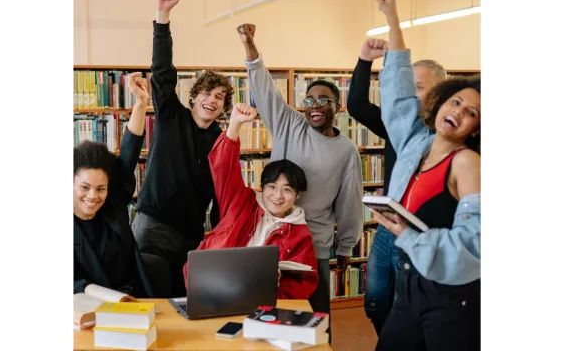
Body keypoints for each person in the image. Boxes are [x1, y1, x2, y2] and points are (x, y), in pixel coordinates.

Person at [369, 0, 481, 351]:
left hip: (450, 297)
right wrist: (393, 18)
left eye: (472, 113)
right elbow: (398, 92)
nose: (460, 112)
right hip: (410, 283)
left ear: (476, 129)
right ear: (440, 102)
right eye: (457, 101)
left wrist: (409, 236)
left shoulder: (467, 162)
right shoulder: (416, 142)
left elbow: (477, 244)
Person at [236, 23, 364, 339]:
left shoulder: (346, 150)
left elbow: (349, 200)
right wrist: (250, 46)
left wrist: (346, 246)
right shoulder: (289, 124)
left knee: (317, 321)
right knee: (267, 314)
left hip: (315, 244)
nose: (314, 106)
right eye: (309, 100)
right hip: (274, 237)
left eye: (323, 100)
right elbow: (264, 89)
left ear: (338, 107)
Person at [132, 0, 235, 297]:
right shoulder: (170, 115)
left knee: (184, 303)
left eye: (219, 97)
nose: (212, 100)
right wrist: (162, 17)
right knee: (149, 300)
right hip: (154, 227)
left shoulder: (221, 141)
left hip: (191, 236)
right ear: (194, 97)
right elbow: (162, 71)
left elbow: (223, 194)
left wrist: (219, 238)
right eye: (207, 93)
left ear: (223, 107)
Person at [347, 40, 448, 339]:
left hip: (417, 232)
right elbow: (356, 105)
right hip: (386, 227)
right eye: (407, 87)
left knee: (404, 304)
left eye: (418, 86)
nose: (410, 95)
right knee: (375, 301)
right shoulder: (398, 126)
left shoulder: (450, 137)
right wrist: (365, 61)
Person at [183, 103, 319, 299]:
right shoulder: (241, 201)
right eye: (272, 187)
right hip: (212, 288)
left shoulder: (300, 233)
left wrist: (276, 288)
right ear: (262, 187)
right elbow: (224, 167)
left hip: (259, 300)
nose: (278, 196)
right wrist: (235, 123)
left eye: (287, 189)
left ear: (297, 195)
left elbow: (303, 283)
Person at [74, 73, 162, 298]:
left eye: (100, 188)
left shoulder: (112, 204)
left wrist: (141, 103)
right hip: (83, 306)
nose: (93, 196)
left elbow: (129, 152)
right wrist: (96, 291)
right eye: (84, 187)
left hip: (132, 299)